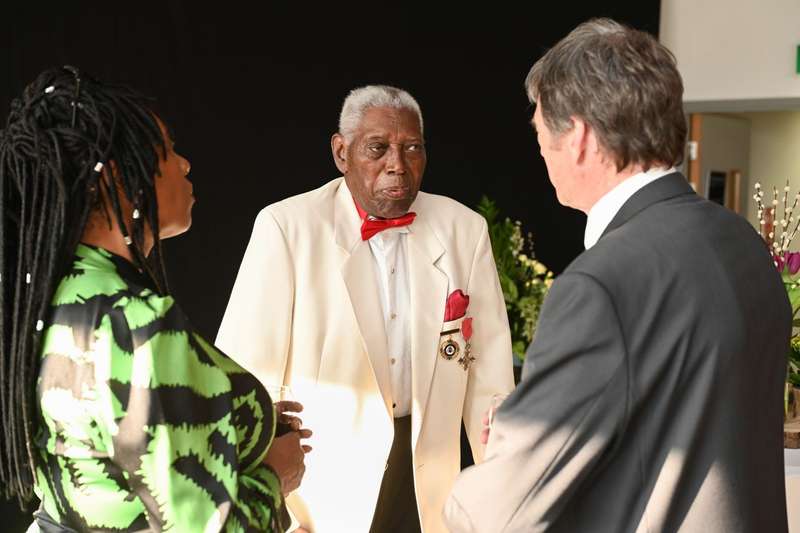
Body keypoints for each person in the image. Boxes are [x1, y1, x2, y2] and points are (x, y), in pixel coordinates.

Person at [444, 18, 792, 533]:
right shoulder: (743, 244)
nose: (539, 149)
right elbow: (685, 417)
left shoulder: (599, 285)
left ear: (580, 137)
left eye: (540, 131)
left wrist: (503, 454)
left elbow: (502, 512)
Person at [0, 66, 310, 532]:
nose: (184, 164)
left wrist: (231, 409)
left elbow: (108, 440)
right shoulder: (136, 323)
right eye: (166, 150)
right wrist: (275, 478)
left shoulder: (55, 295)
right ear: (115, 177)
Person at [216, 85, 514, 532]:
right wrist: (268, 488)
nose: (397, 164)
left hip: (429, 480)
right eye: (378, 148)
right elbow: (245, 372)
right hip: (322, 488)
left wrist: (504, 487)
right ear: (342, 153)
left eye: (412, 148)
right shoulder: (286, 226)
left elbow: (490, 376)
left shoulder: (464, 229)